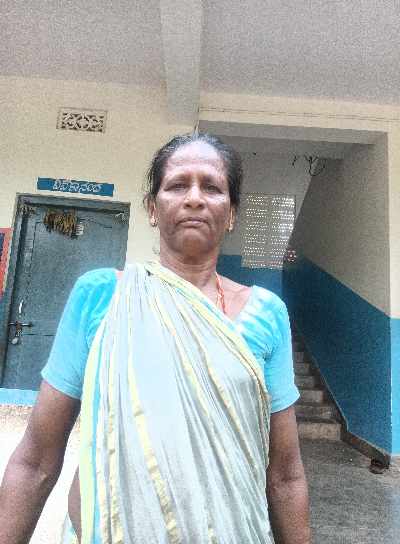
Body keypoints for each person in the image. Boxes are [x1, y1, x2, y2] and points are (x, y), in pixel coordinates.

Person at [0, 133, 311, 543]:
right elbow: (36, 461)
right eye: (178, 185)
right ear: (152, 208)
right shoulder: (101, 296)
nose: (194, 198)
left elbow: (285, 476)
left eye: (212, 187)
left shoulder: (266, 314)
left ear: (232, 214)